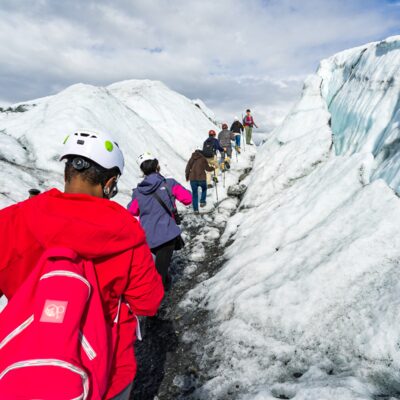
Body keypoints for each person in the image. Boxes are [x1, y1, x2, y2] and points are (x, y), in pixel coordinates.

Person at [0, 130, 164, 400]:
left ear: (66, 173)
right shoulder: (126, 233)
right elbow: (148, 301)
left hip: (19, 367)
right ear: (110, 183)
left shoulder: (12, 220)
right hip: (106, 371)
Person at [128, 153, 192, 290]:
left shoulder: (138, 192)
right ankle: (154, 307)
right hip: (167, 235)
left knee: (160, 267)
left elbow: (132, 211)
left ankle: (165, 286)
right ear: (157, 166)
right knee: (159, 273)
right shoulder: (169, 184)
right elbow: (188, 199)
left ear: (142, 170)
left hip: (148, 238)